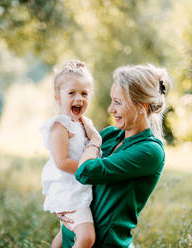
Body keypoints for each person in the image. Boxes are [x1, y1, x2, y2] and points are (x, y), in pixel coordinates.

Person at [59, 63, 170, 247]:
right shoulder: (111, 134)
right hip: (73, 237)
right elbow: (70, 162)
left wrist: (94, 142)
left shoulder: (150, 151)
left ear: (141, 106)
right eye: (112, 100)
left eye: (118, 102)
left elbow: (84, 172)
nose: (111, 109)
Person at [40, 60, 97, 248]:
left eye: (84, 93)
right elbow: (62, 162)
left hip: (77, 187)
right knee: (86, 237)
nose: (79, 99)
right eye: (71, 93)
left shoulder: (84, 123)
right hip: (68, 190)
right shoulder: (60, 126)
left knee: (66, 234)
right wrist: (89, 171)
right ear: (58, 97)